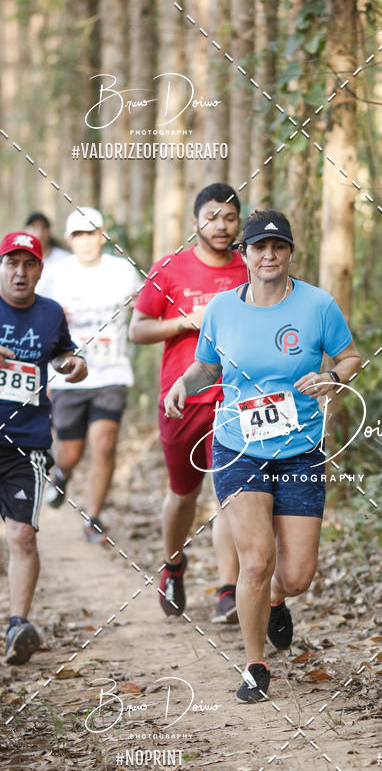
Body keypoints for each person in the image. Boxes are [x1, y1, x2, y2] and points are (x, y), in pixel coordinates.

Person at [164, 209, 362, 703]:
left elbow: (351, 357)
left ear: (290, 252)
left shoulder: (318, 305)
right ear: (244, 254)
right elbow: (205, 368)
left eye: (278, 247)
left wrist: (332, 378)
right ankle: (255, 664)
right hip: (237, 449)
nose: (269, 255)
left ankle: (275, 600)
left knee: (295, 575)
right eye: (259, 247)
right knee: (255, 561)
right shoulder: (222, 310)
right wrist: (180, 386)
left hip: (300, 451)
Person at [129, 183, 245, 622]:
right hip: (182, 398)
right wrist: (186, 321)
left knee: (232, 495)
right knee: (184, 494)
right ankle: (173, 565)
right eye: (212, 216)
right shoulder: (171, 269)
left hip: (236, 398)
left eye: (230, 217)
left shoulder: (247, 268)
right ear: (196, 221)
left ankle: (228, 591)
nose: (221, 225)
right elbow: (137, 330)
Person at [0, 231, 87, 664]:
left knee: (23, 535)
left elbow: (63, 353)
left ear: (39, 269)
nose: (20, 272)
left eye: (28, 264)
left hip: (26, 441)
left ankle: (18, 625)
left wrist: (74, 365)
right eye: (12, 263)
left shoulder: (50, 313)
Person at [42, 207, 138, 542]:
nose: (86, 241)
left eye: (92, 233)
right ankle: (62, 473)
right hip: (68, 374)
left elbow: (141, 310)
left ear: (103, 235)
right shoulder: (56, 274)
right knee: (70, 451)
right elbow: (43, 325)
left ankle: (93, 517)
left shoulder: (123, 271)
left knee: (104, 443)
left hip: (111, 372)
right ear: (70, 239)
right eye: (79, 235)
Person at [24, 212, 69, 284]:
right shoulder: (20, 260)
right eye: (34, 227)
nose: (39, 233)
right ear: (26, 230)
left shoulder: (64, 259)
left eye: (43, 227)